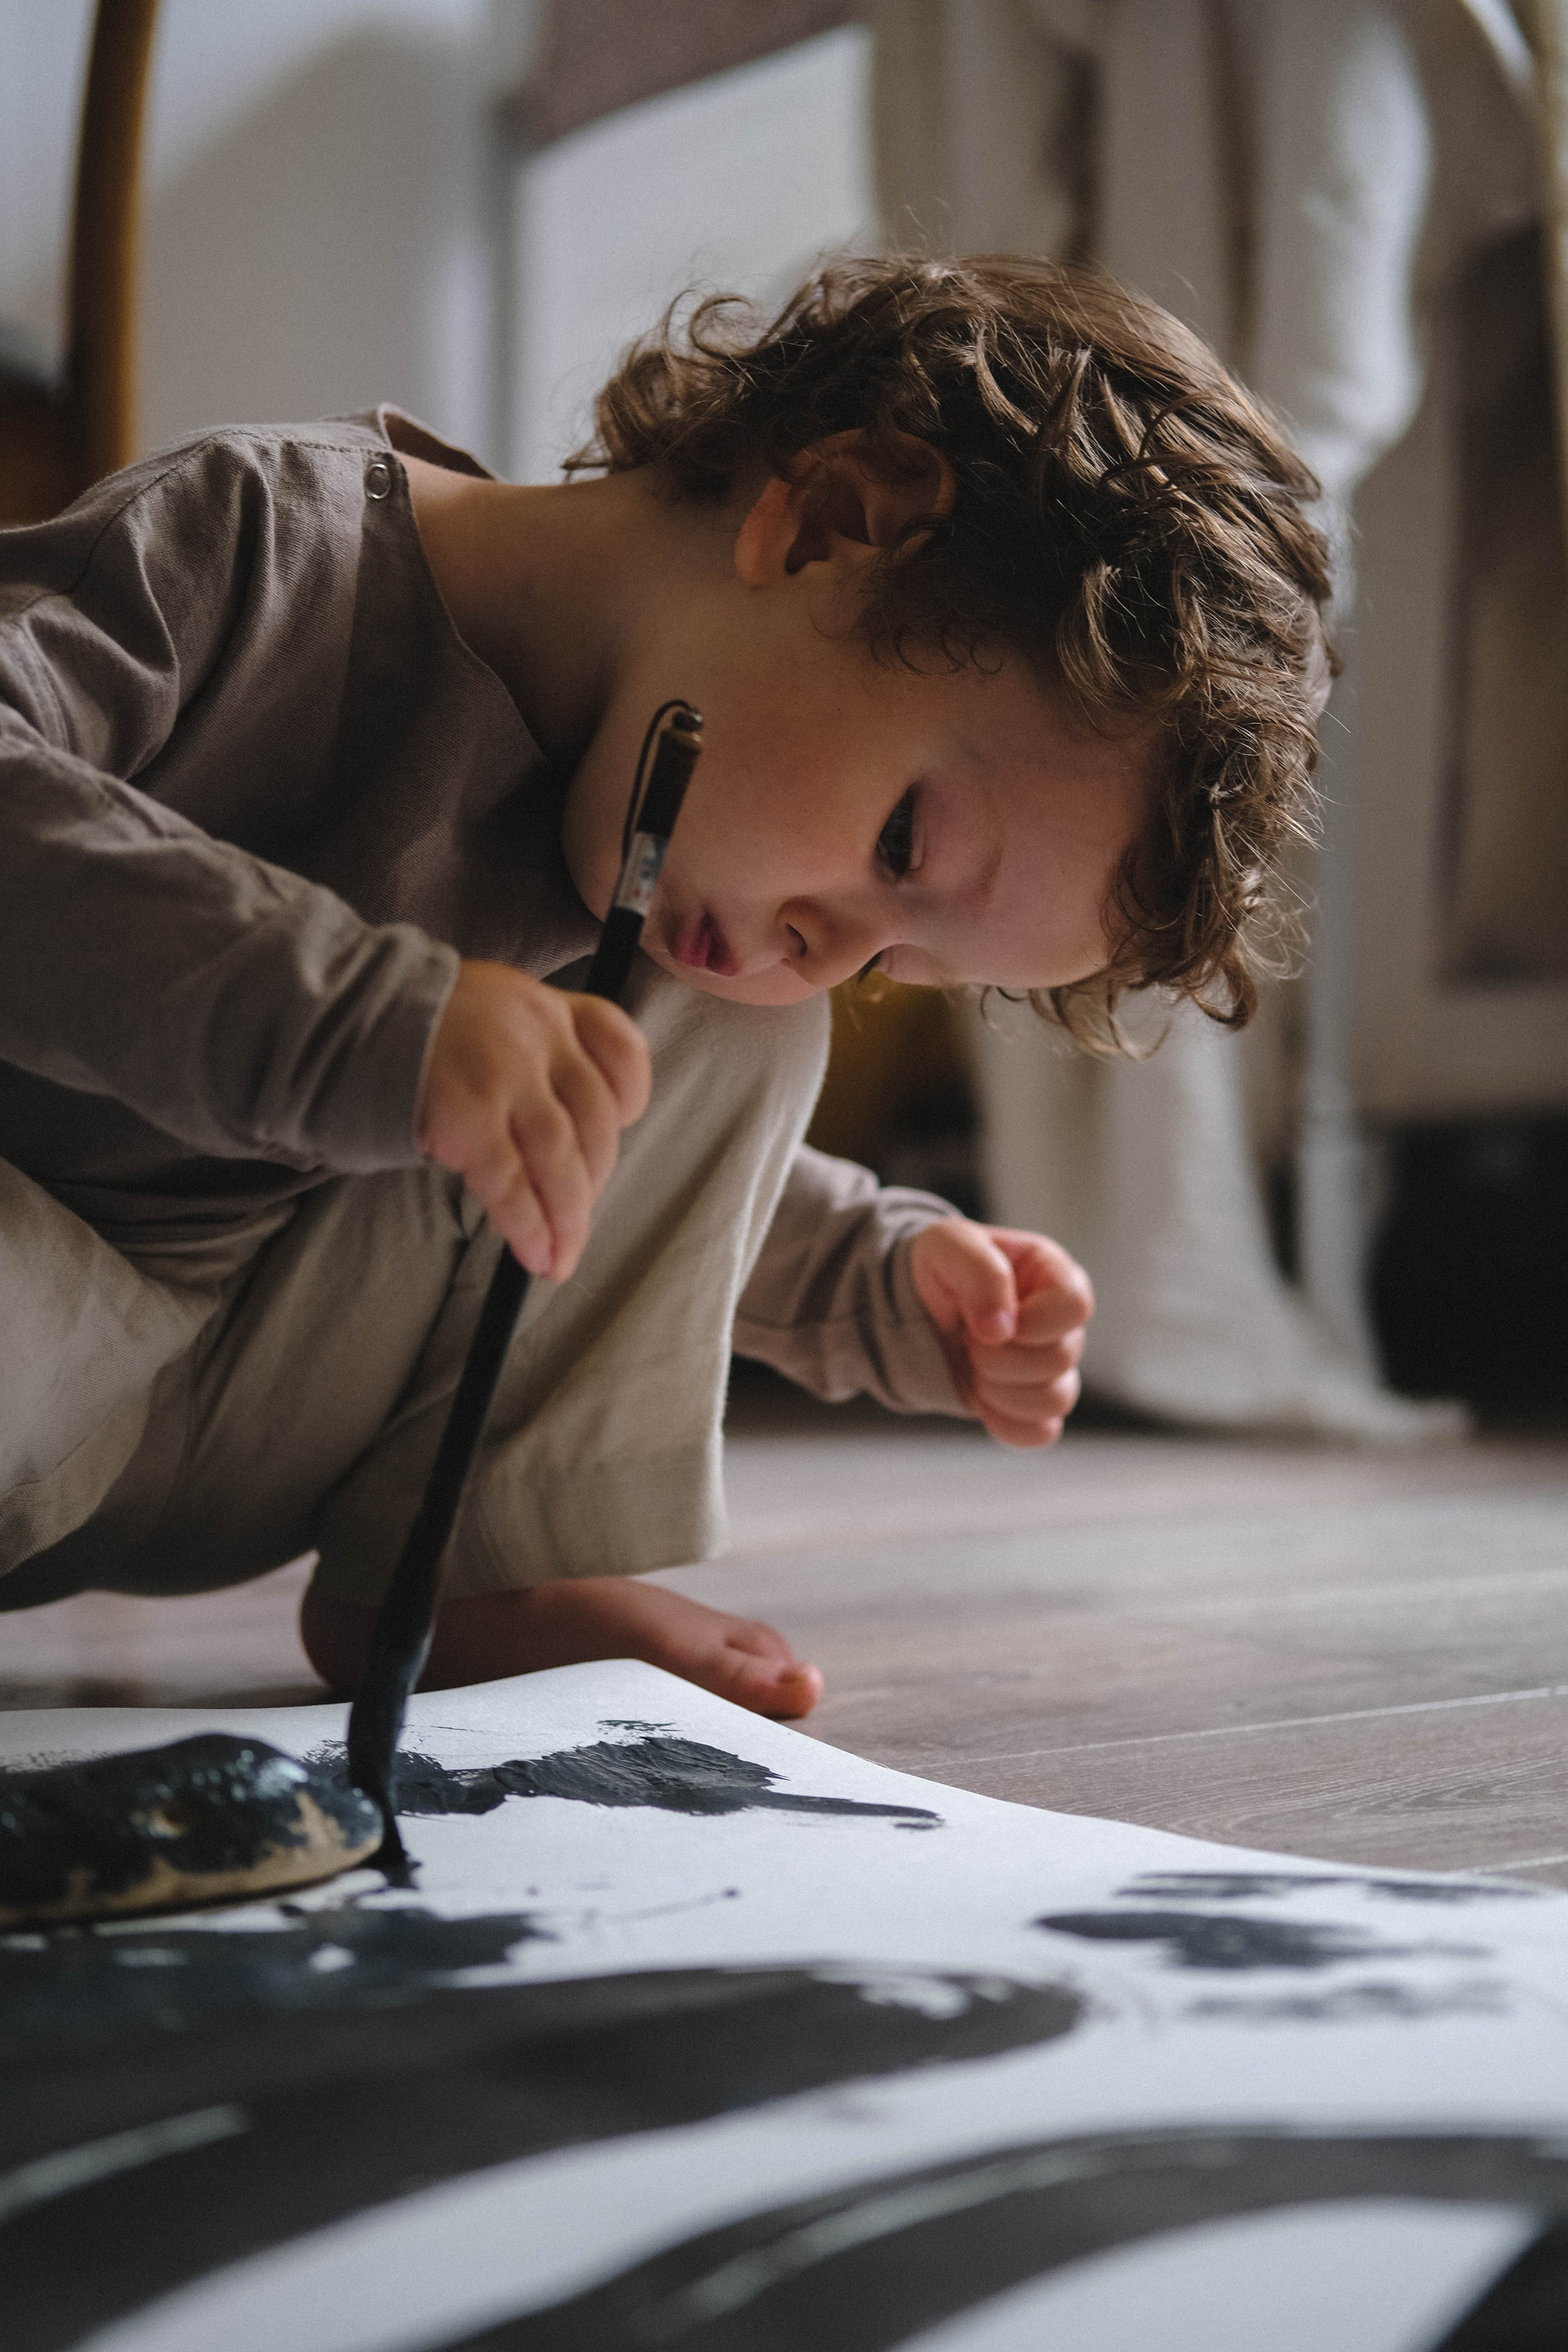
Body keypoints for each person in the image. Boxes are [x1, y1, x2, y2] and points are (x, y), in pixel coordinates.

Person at [0, 257, 1330, 1717]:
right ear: (828, 521)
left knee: (734, 1020)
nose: (838, 949)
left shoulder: (676, 883)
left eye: (900, 957)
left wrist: (875, 1277)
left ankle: (481, 1559)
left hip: (198, 1394)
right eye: (898, 846)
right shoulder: (256, 545)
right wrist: (354, 1020)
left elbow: (577, 1148)